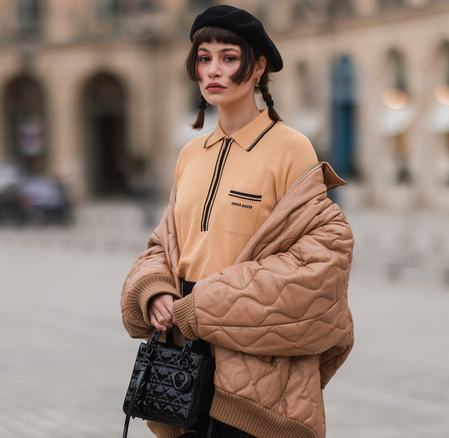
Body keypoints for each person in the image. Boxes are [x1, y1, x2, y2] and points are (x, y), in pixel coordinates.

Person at [120, 5, 354, 438]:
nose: (213, 70)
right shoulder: (191, 154)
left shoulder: (291, 148)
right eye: (204, 58)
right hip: (181, 367)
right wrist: (154, 292)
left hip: (256, 376)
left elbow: (318, 263)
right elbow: (164, 246)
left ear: (258, 67)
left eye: (229, 58)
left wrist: (202, 306)